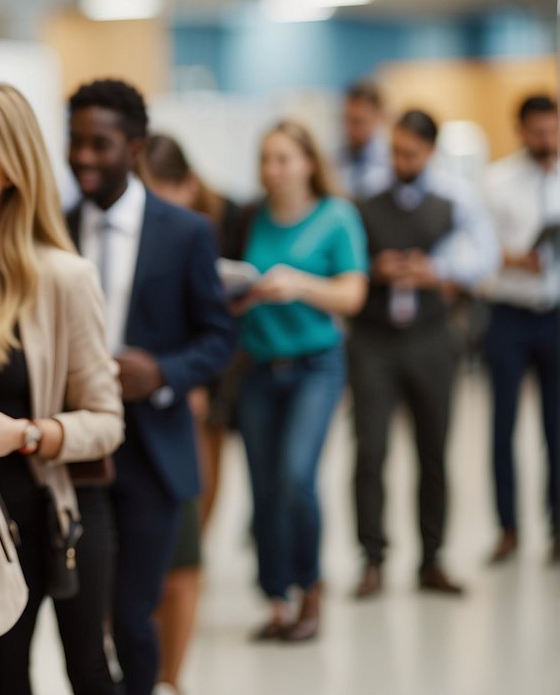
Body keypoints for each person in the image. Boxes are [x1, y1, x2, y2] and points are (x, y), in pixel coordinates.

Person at [0, 83, 124, 695]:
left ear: (14, 166)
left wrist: (26, 434)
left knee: (81, 669)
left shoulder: (61, 278)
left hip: (39, 512)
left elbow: (107, 420)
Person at [66, 80, 235, 695]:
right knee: (86, 621)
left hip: (152, 452)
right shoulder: (54, 228)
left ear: (135, 148)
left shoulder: (185, 233)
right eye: (76, 142)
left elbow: (219, 339)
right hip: (76, 451)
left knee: (136, 618)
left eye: (100, 144)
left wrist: (162, 372)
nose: (84, 156)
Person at [349, 109, 500, 599]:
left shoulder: (454, 200)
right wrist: (376, 268)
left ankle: (431, 559)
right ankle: (372, 558)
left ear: (430, 152)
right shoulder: (366, 199)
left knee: (433, 451)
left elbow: (484, 259)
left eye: (410, 153)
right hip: (373, 339)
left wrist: (436, 270)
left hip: (431, 337)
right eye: (394, 150)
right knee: (370, 451)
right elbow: (345, 259)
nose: (400, 160)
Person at [233, 119, 368, 642]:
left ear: (310, 162)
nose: (273, 170)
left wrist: (300, 286)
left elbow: (352, 294)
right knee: (263, 488)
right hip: (260, 368)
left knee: (295, 477)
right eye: (266, 159)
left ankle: (310, 586)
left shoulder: (337, 217)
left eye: (284, 159)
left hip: (316, 366)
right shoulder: (251, 216)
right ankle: (275, 597)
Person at [132, 132, 243, 695]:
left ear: (185, 188)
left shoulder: (197, 236)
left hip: (187, 405)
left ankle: (170, 680)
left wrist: (178, 378)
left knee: (182, 550)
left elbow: (215, 335)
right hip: (125, 416)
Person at [482, 94, 560, 565]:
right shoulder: (496, 181)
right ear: (521, 130)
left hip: (555, 314)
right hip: (509, 313)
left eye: (553, 130)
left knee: (557, 426)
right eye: (538, 132)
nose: (546, 140)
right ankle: (507, 526)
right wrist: (513, 258)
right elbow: (477, 250)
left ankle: (557, 526)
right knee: (503, 425)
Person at [336, 80, 392, 201]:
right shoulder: (333, 160)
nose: (349, 128)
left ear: (378, 117)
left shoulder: (392, 161)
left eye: (357, 121)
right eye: (346, 119)